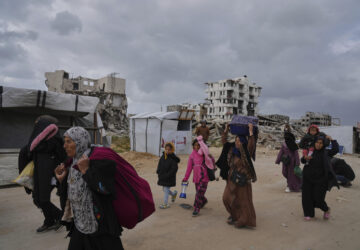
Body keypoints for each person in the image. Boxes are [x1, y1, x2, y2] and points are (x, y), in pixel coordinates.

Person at [55, 127, 124, 250]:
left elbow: (106, 190)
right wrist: (61, 181)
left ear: (80, 141)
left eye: (69, 141)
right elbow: (70, 196)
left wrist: (86, 171)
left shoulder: (99, 161)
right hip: (79, 224)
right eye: (64, 141)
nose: (64, 146)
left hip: (100, 226)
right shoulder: (71, 163)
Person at [18, 115, 66, 233]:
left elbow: (63, 158)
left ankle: (60, 217)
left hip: (50, 176)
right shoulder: (35, 144)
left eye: (37, 124)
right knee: (37, 199)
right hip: (38, 176)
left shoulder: (55, 141)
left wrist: (59, 178)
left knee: (43, 199)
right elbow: (25, 154)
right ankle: (50, 221)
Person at [221, 123, 257, 228]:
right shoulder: (232, 150)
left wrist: (250, 132)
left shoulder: (246, 152)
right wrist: (226, 129)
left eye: (239, 141)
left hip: (242, 179)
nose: (237, 142)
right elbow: (224, 142)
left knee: (243, 201)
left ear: (243, 142)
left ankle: (244, 220)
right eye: (236, 140)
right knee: (226, 198)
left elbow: (251, 145)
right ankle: (234, 215)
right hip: (232, 178)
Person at [301, 135, 339, 221]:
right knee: (306, 196)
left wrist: (332, 139)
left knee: (318, 198)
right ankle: (308, 214)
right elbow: (303, 160)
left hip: (320, 179)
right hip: (308, 178)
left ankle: (326, 209)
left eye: (321, 143)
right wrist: (305, 158)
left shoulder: (326, 152)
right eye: (317, 142)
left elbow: (336, 150)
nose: (318, 144)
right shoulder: (310, 151)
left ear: (323, 144)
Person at [182, 136, 212, 216]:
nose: (197, 147)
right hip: (196, 178)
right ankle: (204, 200)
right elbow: (189, 168)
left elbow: (208, 156)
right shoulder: (192, 156)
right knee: (199, 193)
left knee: (198, 193)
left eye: (198, 145)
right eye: (195, 145)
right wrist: (185, 178)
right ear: (193, 146)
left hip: (204, 178)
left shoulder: (204, 154)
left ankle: (196, 208)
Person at [275, 125, 301, 192]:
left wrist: (297, 163)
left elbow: (296, 155)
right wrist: (278, 160)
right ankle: (292, 184)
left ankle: (289, 186)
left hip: (292, 162)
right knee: (284, 172)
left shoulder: (293, 145)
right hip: (285, 161)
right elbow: (281, 152)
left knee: (291, 175)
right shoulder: (284, 144)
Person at [156, 142, 179, 209]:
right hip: (162, 176)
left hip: (169, 177)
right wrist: (158, 171)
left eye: (169, 150)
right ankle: (173, 194)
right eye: (166, 149)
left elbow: (174, 169)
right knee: (164, 189)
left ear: (172, 150)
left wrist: (168, 175)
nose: (167, 151)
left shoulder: (173, 159)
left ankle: (165, 204)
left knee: (166, 189)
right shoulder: (163, 156)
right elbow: (159, 164)